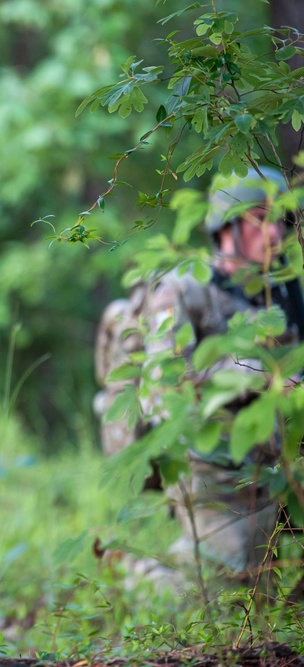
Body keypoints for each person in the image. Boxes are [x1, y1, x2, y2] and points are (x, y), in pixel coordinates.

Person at [125, 166, 302, 587]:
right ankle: (134, 571)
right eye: (261, 218)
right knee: (219, 592)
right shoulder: (183, 290)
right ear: (227, 225)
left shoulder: (287, 291)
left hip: (284, 461)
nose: (274, 233)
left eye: (280, 219)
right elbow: (162, 392)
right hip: (218, 471)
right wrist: (254, 372)